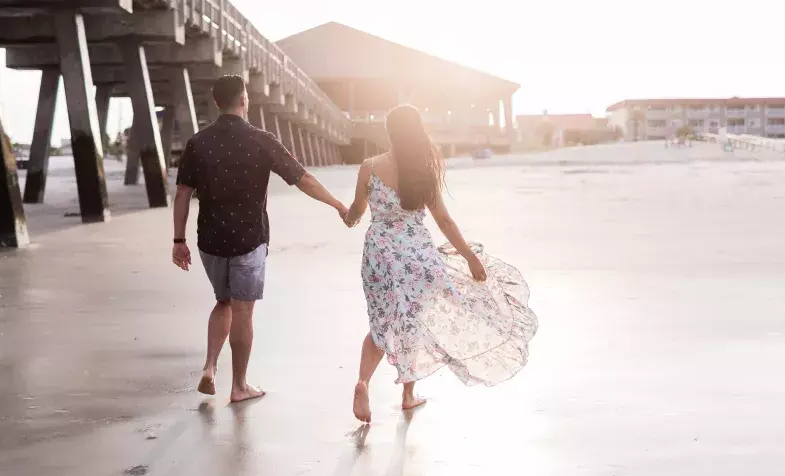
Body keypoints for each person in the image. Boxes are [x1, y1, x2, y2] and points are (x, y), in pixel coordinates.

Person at [342, 104, 538, 423]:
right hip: (417, 255)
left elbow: (357, 210)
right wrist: (471, 258)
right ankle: (407, 395)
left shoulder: (369, 166)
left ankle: (363, 382)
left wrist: (347, 218)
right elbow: (444, 221)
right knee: (413, 322)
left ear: (388, 132)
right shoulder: (423, 170)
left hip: (379, 253)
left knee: (381, 320)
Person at [171, 75, 348, 403]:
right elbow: (302, 178)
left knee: (223, 302)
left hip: (209, 238)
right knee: (243, 312)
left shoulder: (198, 142)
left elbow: (182, 192)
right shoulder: (261, 139)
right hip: (249, 239)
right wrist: (337, 204)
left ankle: (209, 366)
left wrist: (178, 240)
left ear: (215, 101)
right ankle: (239, 386)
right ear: (244, 100)